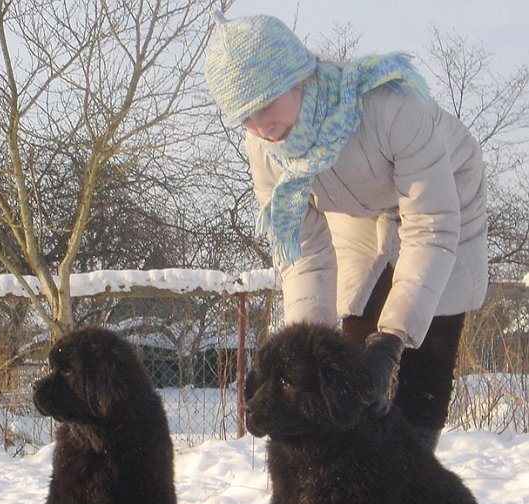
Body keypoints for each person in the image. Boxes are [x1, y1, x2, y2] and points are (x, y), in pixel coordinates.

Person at [204, 10, 489, 451]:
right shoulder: (265, 149)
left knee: (424, 342)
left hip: (446, 197)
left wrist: (393, 340)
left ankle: (413, 478)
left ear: (297, 78)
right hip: (359, 206)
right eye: (244, 117)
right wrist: (293, 357)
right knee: (351, 348)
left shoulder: (392, 108)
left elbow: (430, 230)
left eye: (264, 104)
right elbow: (305, 255)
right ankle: (360, 467)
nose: (260, 126)